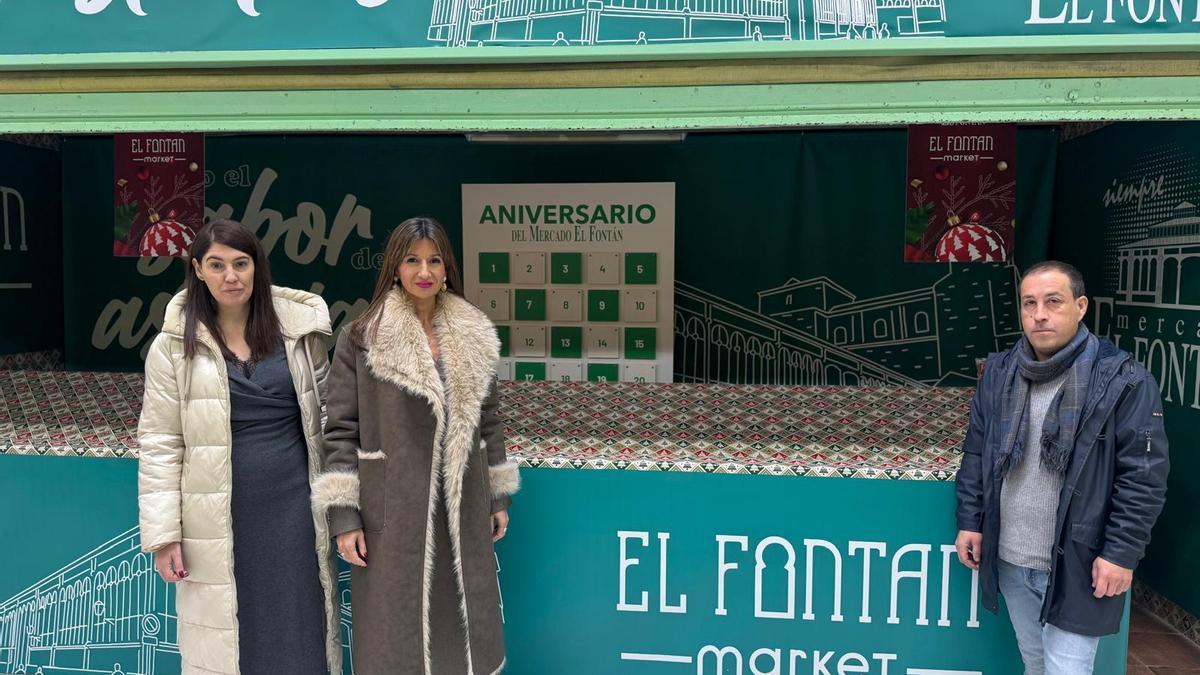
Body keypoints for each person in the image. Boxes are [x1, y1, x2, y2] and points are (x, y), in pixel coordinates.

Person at [312, 216, 519, 675]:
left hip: (461, 505)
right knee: (395, 640)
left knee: (459, 637)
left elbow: (489, 420)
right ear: (395, 268)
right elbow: (340, 431)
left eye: (434, 260)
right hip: (393, 514)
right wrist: (345, 517)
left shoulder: (474, 332)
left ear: (447, 269)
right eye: (412, 260)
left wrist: (496, 494)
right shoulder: (362, 336)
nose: (424, 271)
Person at [138, 220, 340, 675]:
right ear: (198, 271)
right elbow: (160, 442)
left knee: (302, 623)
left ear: (256, 268)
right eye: (217, 265)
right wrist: (164, 533)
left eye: (241, 264)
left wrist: (345, 501)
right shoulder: (171, 349)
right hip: (216, 515)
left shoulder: (301, 337)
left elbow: (329, 419)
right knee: (231, 638)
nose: (231, 276)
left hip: (297, 510)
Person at [954, 260, 1169, 674]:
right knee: (1036, 665)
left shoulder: (1123, 378)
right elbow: (977, 452)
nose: (1039, 315)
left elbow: (1143, 476)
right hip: (1012, 556)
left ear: (1081, 306)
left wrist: (1121, 553)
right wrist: (971, 520)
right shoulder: (1000, 372)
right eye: (1029, 303)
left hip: (1079, 563)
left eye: (1053, 302)